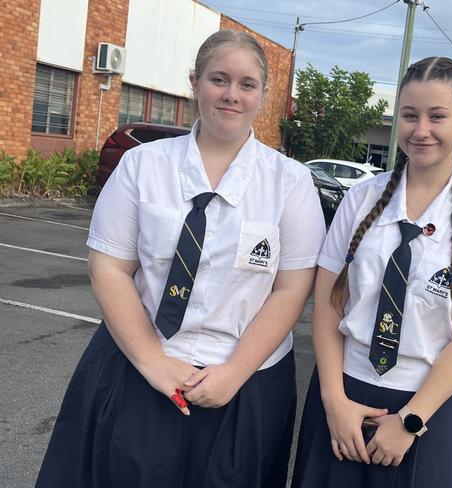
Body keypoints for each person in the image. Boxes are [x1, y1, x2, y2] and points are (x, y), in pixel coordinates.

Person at [36, 30, 325, 488]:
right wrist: (154, 361)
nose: (232, 95)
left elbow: (292, 288)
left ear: (264, 96)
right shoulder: (142, 165)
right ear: (195, 81)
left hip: (245, 387)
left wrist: (233, 373)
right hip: (138, 371)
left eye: (247, 84)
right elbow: (110, 267)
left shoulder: (290, 183)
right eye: (219, 79)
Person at [291, 56, 452, 488]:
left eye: (437, 116)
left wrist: (410, 421)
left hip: (429, 411)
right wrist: (333, 401)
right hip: (344, 397)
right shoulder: (360, 199)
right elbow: (327, 304)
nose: (421, 130)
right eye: (410, 115)